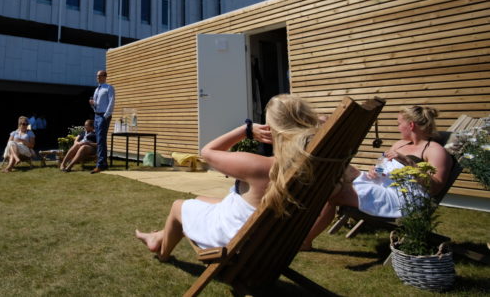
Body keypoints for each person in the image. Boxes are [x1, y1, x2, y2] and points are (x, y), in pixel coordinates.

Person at [136, 94, 320, 261]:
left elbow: (207, 152)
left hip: (236, 242)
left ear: (271, 129)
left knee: (178, 206)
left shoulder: (260, 166)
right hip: (270, 245)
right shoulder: (314, 167)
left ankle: (163, 255)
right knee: (201, 199)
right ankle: (158, 236)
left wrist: (246, 130)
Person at [302, 105, 452, 250]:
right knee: (338, 169)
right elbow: (382, 164)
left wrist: (408, 163)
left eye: (399, 123)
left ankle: (305, 239)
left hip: (400, 198)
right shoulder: (400, 144)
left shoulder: (435, 151)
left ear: (411, 125)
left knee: (333, 192)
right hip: (379, 182)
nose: (398, 127)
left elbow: (435, 187)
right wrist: (375, 170)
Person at [89, 69, 114, 174]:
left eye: (99, 76)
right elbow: (96, 104)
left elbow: (111, 101)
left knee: (101, 140)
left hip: (103, 116)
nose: (97, 77)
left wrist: (106, 115)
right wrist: (92, 104)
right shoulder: (96, 90)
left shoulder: (109, 88)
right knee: (100, 140)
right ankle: (103, 163)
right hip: (97, 115)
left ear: (105, 76)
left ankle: (100, 165)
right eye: (97, 76)